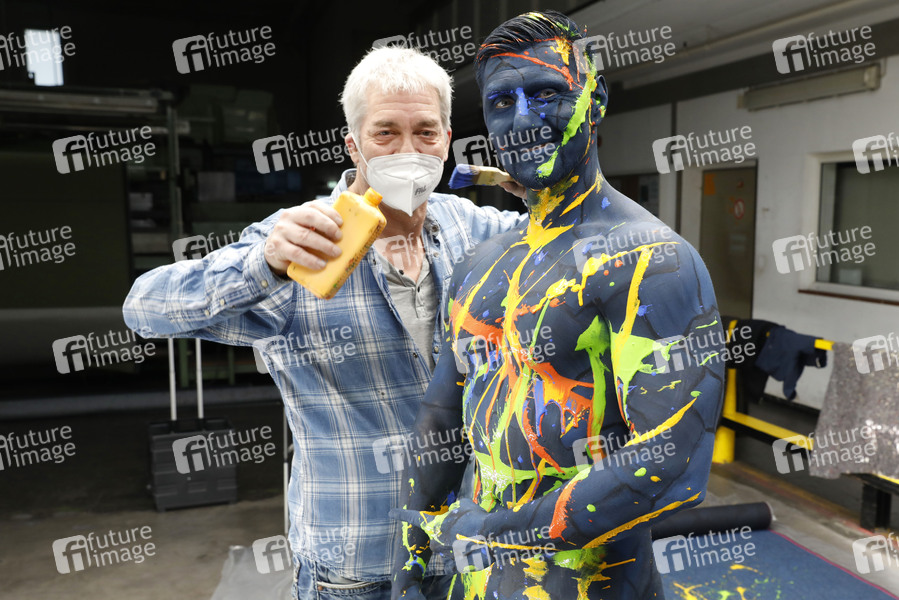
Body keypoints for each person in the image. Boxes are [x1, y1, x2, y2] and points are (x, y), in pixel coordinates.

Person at [123, 46, 525, 600]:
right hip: (357, 565)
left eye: (425, 133)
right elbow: (144, 307)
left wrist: (557, 197)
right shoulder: (301, 241)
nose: (409, 151)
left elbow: (594, 245)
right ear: (353, 144)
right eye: (385, 133)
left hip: (467, 551)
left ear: (447, 139)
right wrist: (262, 265)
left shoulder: (472, 229)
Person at [390, 11, 724, 599]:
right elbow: (441, 416)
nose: (523, 119)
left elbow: (672, 462)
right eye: (502, 103)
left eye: (547, 94)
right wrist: (411, 558)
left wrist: (486, 533)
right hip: (476, 583)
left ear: (596, 102)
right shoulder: (480, 263)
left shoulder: (652, 260)